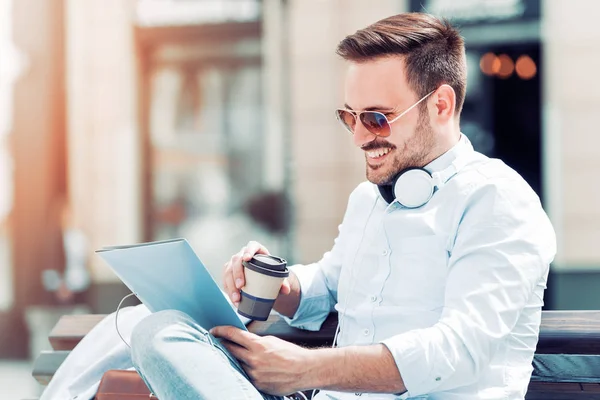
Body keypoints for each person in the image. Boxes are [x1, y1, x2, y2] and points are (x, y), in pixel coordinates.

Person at [129, 13, 556, 400]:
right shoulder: (368, 198)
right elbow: (330, 285)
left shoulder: (498, 200)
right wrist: (279, 285)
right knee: (159, 331)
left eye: (377, 118)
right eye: (350, 117)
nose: (359, 137)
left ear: (440, 105)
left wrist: (304, 369)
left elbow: (460, 351)